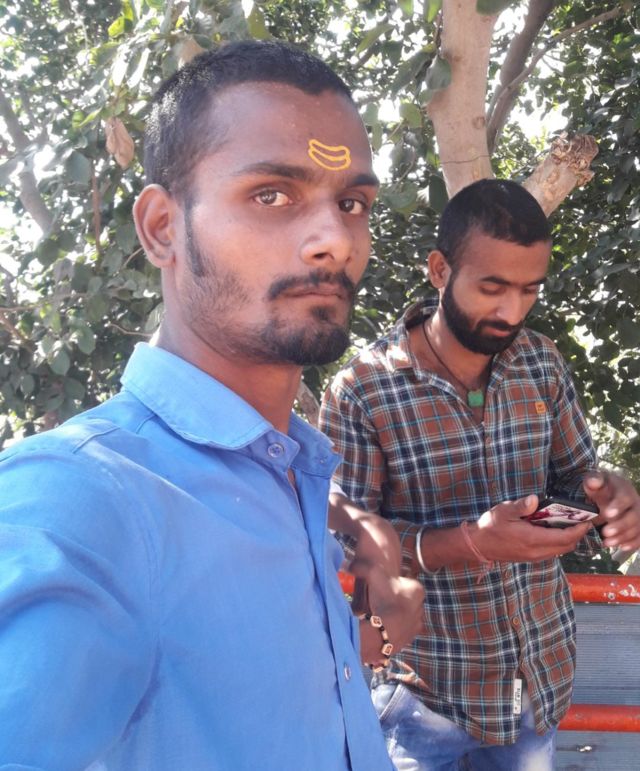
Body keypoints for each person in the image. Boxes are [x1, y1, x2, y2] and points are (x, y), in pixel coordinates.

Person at [0, 40, 424, 770]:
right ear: (162, 228)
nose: (334, 239)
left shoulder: (292, 467)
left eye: (352, 203)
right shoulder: (81, 499)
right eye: (272, 195)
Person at [319, 179, 640, 770]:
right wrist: (471, 543)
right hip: (424, 695)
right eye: (492, 288)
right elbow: (347, 548)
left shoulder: (540, 362)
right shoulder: (363, 390)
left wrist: (608, 497)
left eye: (529, 290)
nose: (512, 312)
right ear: (440, 270)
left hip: (536, 680)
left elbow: (576, 477)